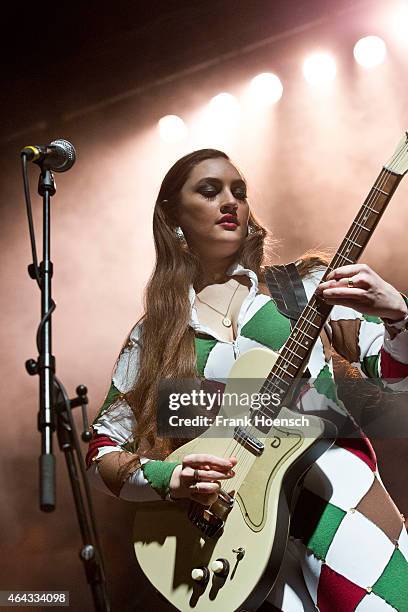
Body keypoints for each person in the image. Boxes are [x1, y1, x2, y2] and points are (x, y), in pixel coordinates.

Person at [86, 149, 408, 611]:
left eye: (239, 191)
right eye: (210, 190)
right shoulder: (153, 337)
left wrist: (399, 314)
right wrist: (169, 476)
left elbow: (393, 373)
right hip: (234, 537)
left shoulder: (302, 286)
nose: (230, 201)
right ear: (172, 218)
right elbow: (101, 453)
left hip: (339, 494)